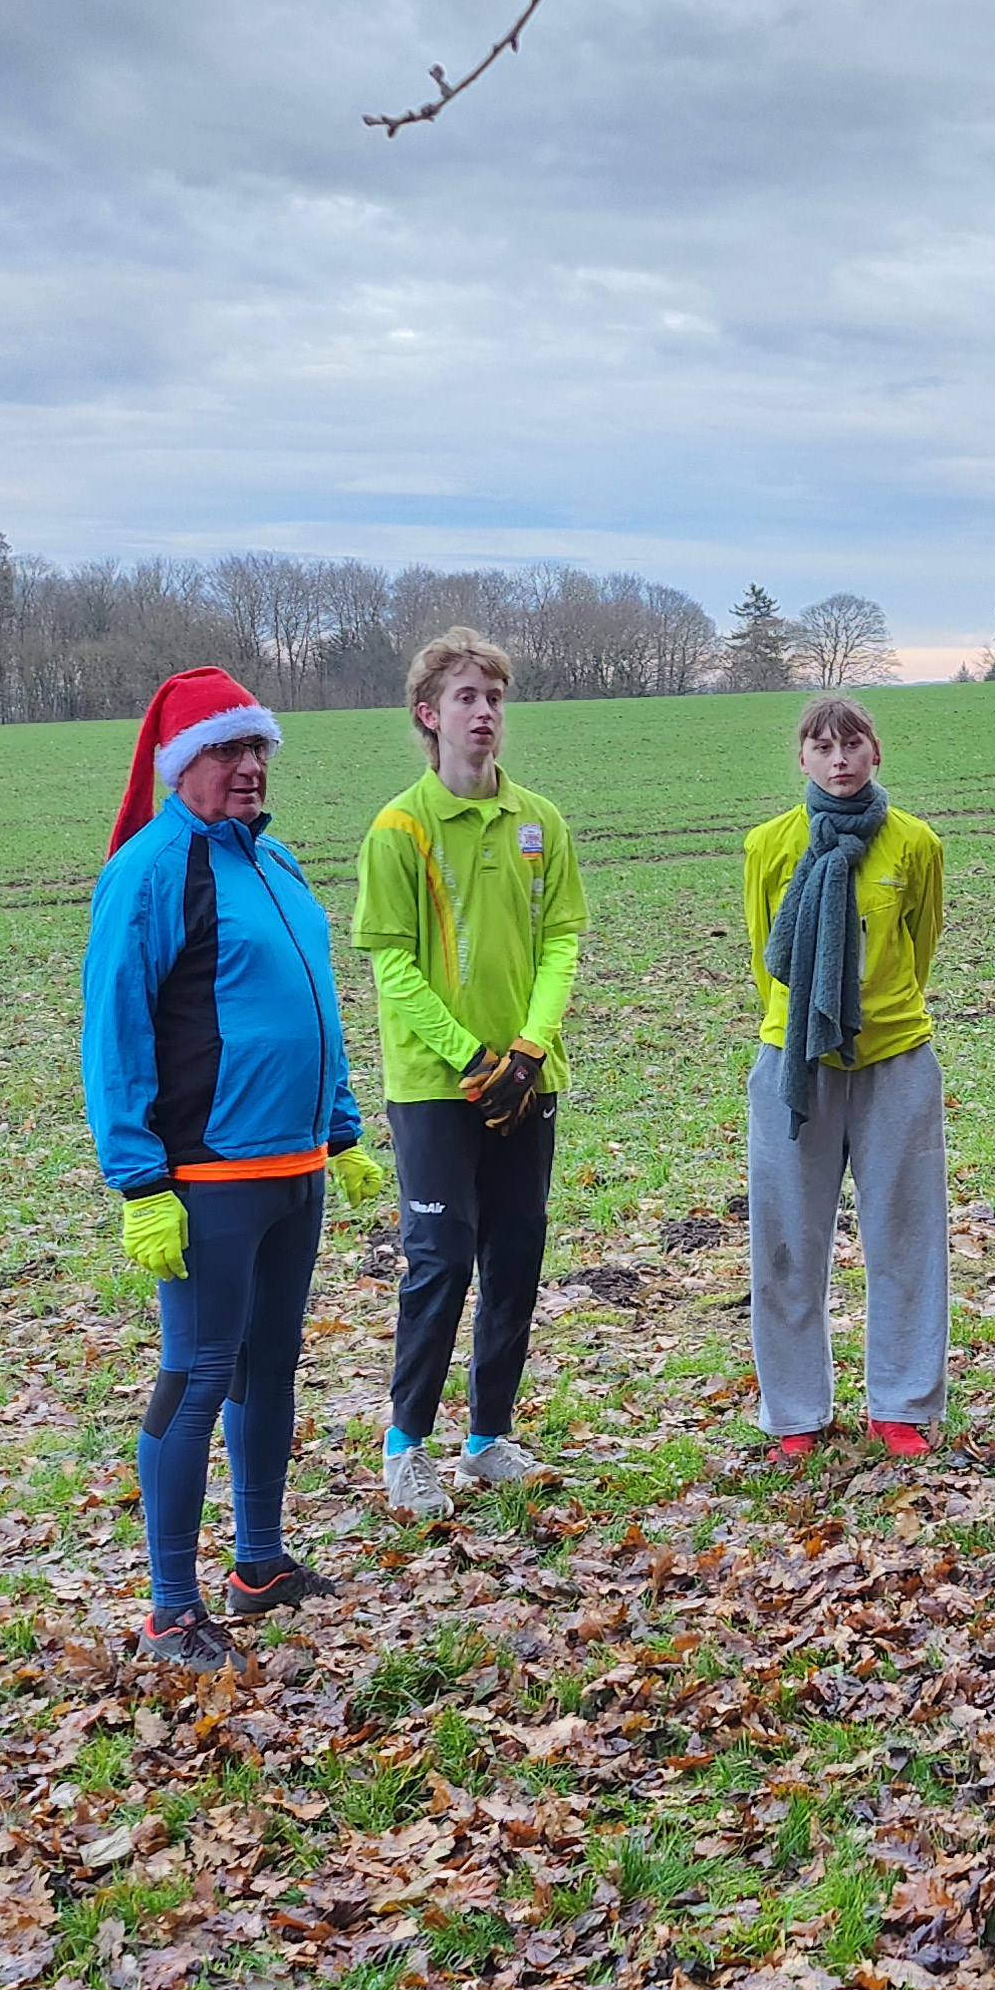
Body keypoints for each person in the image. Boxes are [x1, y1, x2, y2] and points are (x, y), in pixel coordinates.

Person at [86, 666, 370, 1670]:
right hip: (206, 1173)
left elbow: (315, 1002)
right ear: (180, 765)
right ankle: (171, 1604)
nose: (248, 767)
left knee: (270, 1362)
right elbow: (114, 1027)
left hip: (294, 1166)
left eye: (257, 749)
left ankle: (258, 1563)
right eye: (225, 750)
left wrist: (341, 1129)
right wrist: (139, 1180)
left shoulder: (274, 860)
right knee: (198, 1372)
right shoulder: (152, 869)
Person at [354, 628, 587, 1515]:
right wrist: (475, 1058)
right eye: (466, 698)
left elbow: (561, 937)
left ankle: (487, 1438)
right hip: (437, 1088)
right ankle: (405, 1443)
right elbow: (394, 967)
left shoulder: (539, 820)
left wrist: (530, 1048)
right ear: (429, 715)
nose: (484, 713)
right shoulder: (399, 829)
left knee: (516, 1258)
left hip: (531, 1077)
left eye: (493, 698)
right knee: (440, 1262)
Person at [743, 695, 950, 1469]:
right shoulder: (770, 845)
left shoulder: (915, 843)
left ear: (876, 752)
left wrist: (878, 1016)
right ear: (802, 758)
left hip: (895, 1057)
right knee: (789, 1240)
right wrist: (803, 1029)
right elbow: (769, 951)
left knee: (906, 1234)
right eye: (822, 745)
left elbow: (918, 945)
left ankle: (900, 1407)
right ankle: (794, 1413)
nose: (839, 759)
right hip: (793, 1061)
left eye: (852, 743)